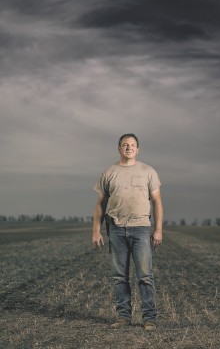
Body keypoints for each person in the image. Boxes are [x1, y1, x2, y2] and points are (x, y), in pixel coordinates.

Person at [92, 133, 163, 331]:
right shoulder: (109, 172)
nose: (129, 147)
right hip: (115, 229)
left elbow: (157, 201)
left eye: (132, 145)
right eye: (125, 145)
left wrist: (158, 229)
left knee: (145, 276)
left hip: (141, 228)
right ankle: (123, 316)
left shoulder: (148, 171)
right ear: (119, 148)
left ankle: (149, 318)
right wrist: (96, 231)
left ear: (137, 149)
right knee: (119, 276)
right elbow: (100, 204)